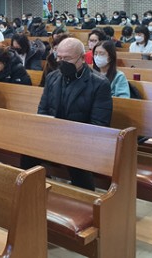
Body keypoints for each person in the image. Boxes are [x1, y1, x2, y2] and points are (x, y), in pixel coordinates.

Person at [24, 37, 113, 190]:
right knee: (27, 149)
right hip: (54, 135)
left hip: (82, 139)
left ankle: (85, 198)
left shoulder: (99, 83)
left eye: (67, 58)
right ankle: (31, 190)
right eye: (59, 57)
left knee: (75, 156)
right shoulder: (52, 78)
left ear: (82, 58)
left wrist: (70, 138)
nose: (61, 62)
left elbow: (99, 124)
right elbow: (43, 110)